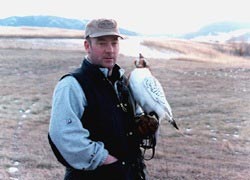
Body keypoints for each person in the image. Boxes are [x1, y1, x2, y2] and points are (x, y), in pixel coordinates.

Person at [48, 18, 158, 180]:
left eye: (114, 43)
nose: (110, 50)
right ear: (87, 46)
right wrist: (104, 159)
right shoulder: (72, 85)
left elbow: (131, 123)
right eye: (101, 43)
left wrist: (142, 126)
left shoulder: (122, 82)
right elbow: (63, 135)